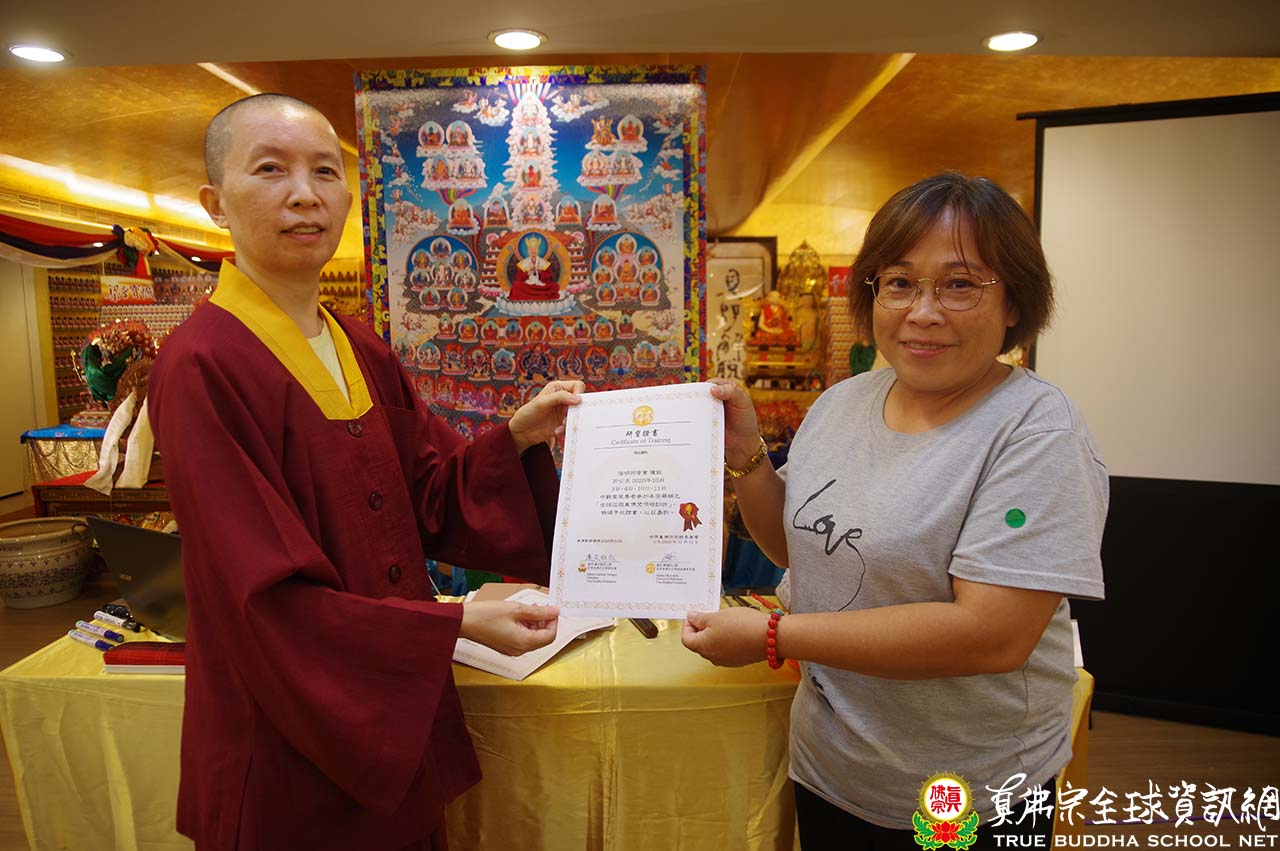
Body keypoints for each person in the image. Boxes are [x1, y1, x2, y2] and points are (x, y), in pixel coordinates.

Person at [147, 93, 584, 850]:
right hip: (286, 731)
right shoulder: (201, 365)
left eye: (325, 171)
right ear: (215, 203)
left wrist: (516, 435)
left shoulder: (359, 347)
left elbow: (427, 494)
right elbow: (259, 596)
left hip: (391, 713)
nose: (305, 194)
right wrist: (452, 624)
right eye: (271, 169)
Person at [684, 172, 1108, 849]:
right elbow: (797, 546)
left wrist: (774, 636)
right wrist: (748, 458)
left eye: (960, 284)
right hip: (834, 764)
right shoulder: (842, 402)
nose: (923, 311)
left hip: (969, 782)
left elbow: (991, 634)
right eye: (901, 282)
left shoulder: (1036, 432)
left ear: (1014, 303)